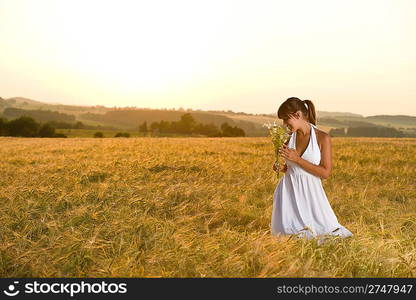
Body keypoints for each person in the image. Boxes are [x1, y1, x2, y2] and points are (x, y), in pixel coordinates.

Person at [271, 97, 353, 243]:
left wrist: (297, 159)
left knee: (325, 234)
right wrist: (282, 167)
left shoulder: (322, 138)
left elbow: (325, 173)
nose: (284, 124)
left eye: (286, 119)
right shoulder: (289, 138)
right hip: (288, 192)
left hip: (311, 194)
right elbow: (292, 168)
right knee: (288, 239)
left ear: (297, 115)